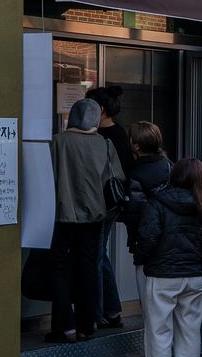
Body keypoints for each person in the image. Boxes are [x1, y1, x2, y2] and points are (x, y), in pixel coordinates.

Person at [134, 158, 202, 357]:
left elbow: (148, 237)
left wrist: (143, 260)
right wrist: (196, 259)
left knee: (158, 332)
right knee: (190, 332)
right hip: (193, 276)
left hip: (162, 275)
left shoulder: (157, 202)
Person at [49, 98, 125, 343]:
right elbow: (116, 179)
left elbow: (47, 177)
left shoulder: (57, 141)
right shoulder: (104, 143)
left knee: (59, 269)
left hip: (61, 215)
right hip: (94, 216)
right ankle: (86, 326)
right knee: (89, 269)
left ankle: (64, 327)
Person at [121, 123, 173, 330]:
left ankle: (153, 344)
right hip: (173, 240)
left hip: (146, 243)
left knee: (149, 302)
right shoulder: (170, 166)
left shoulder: (136, 174)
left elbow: (134, 213)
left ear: (135, 146)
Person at [87, 86, 130, 331]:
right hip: (109, 202)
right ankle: (110, 310)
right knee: (98, 253)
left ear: (100, 109)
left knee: (95, 254)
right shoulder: (119, 133)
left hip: (102, 202)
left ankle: (101, 312)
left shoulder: (104, 137)